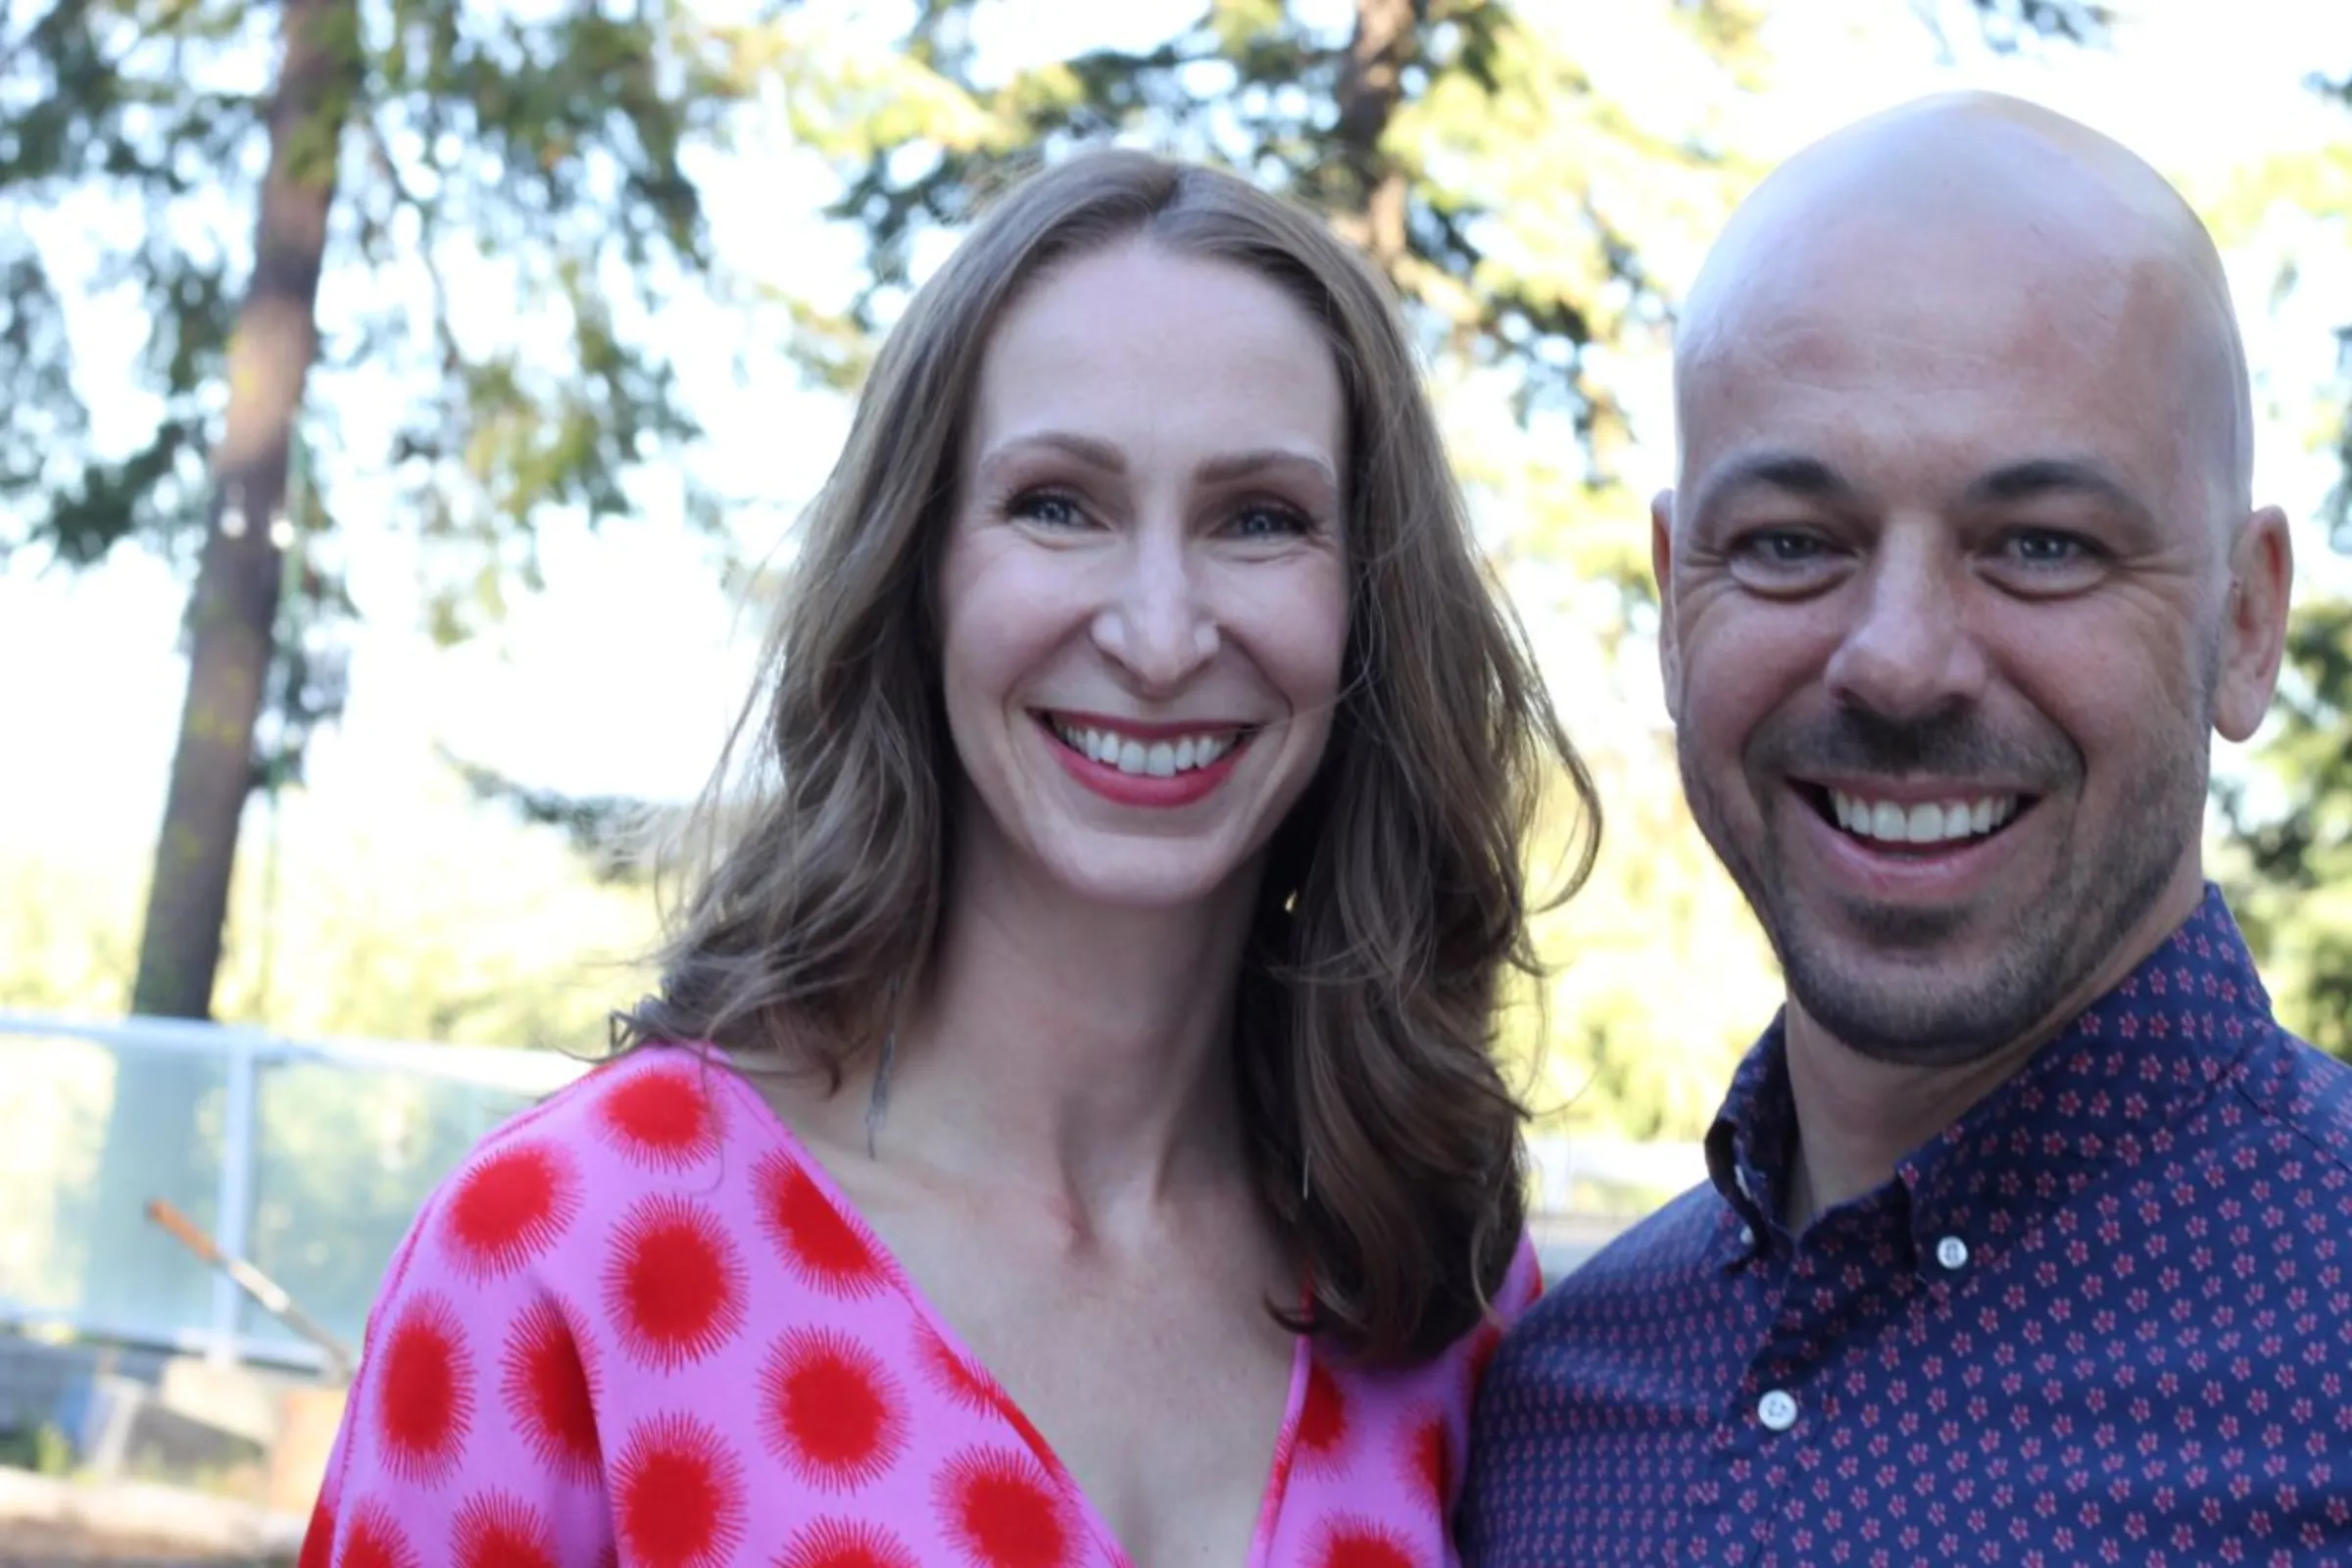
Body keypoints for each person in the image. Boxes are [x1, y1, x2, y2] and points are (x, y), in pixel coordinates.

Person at [301, 148, 1595, 1567]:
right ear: (920, 572)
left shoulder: (1438, 1290)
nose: (1159, 637)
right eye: (1058, 503)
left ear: (1369, 611)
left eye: (1262, 520)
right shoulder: (568, 1248)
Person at [1462, 92, 2352, 1564]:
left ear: (2246, 623)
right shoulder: (1552, 1411)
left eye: (2044, 544)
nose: (1897, 658)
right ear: (1676, 599)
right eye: (1795, 543)